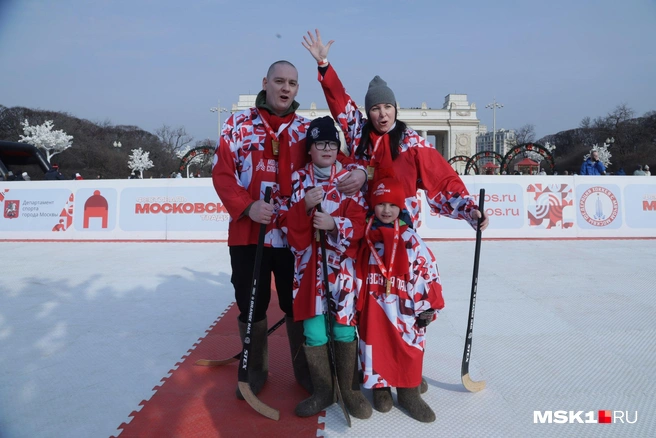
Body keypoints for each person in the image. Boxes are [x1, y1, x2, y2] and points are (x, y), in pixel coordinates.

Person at [303, 28, 489, 398]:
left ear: (395, 109)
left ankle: (408, 369)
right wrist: (324, 66)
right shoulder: (357, 134)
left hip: (402, 239)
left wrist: (471, 211)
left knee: (408, 307)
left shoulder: (413, 143)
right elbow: (340, 102)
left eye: (386, 106)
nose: (381, 113)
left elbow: (443, 181)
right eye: (375, 107)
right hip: (364, 237)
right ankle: (372, 371)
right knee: (368, 308)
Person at [211, 60, 318, 400]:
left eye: (293, 83)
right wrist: (247, 205)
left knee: (296, 303)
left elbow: (329, 167)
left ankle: (306, 372)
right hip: (248, 234)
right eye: (279, 81)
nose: (286, 88)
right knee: (251, 302)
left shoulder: (305, 130)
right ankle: (255, 370)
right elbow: (222, 174)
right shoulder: (237, 124)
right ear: (265, 83)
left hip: (292, 237)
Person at [279, 116, 371, 419]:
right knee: (314, 329)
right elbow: (287, 228)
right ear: (311, 148)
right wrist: (304, 206)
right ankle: (322, 390)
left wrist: (335, 224)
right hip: (308, 272)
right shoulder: (298, 180)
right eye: (321, 143)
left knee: (344, 327)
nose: (327, 148)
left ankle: (349, 389)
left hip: (340, 270)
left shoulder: (348, 179)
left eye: (332, 143)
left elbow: (360, 224)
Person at [355, 177, 444, 422]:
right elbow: (353, 271)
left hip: (404, 306)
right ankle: (380, 388)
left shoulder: (411, 240)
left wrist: (429, 306)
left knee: (409, 347)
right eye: (381, 204)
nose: (386, 210)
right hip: (375, 306)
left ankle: (409, 393)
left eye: (392, 205)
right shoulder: (364, 237)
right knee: (374, 346)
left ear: (400, 208)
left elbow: (428, 271)